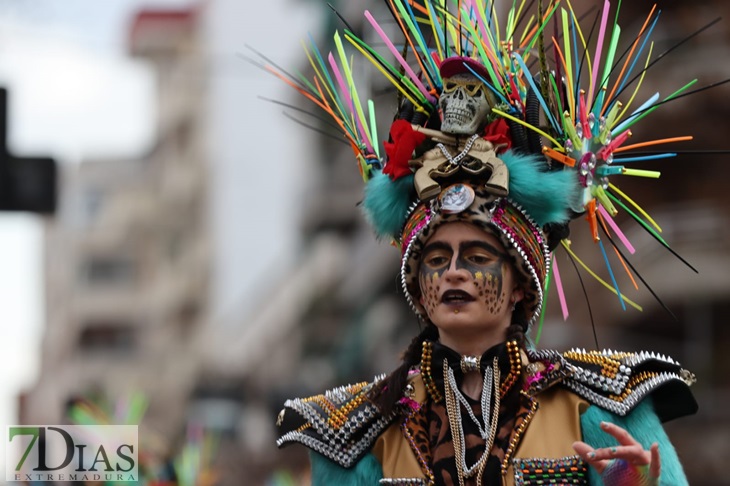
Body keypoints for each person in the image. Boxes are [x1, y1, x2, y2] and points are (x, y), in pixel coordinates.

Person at [267, 1, 701, 484]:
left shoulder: (605, 403)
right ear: (416, 285)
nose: (453, 271)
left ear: (521, 285)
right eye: (435, 258)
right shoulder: (353, 428)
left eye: (476, 257)